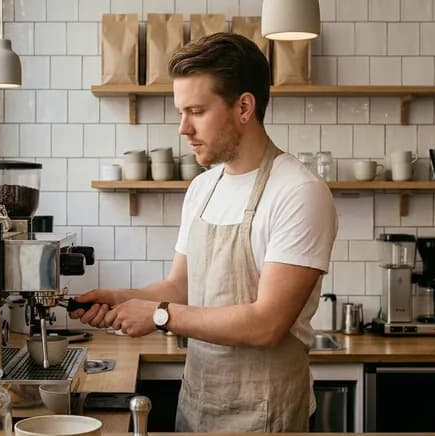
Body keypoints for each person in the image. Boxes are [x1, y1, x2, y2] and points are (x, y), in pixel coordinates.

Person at [69, 33, 337, 432]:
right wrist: (121, 298)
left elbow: (267, 324)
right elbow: (181, 286)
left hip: (265, 416)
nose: (183, 128)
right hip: (197, 408)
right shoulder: (203, 188)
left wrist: (158, 315)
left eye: (196, 111)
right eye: (181, 112)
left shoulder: (299, 192)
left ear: (244, 107)